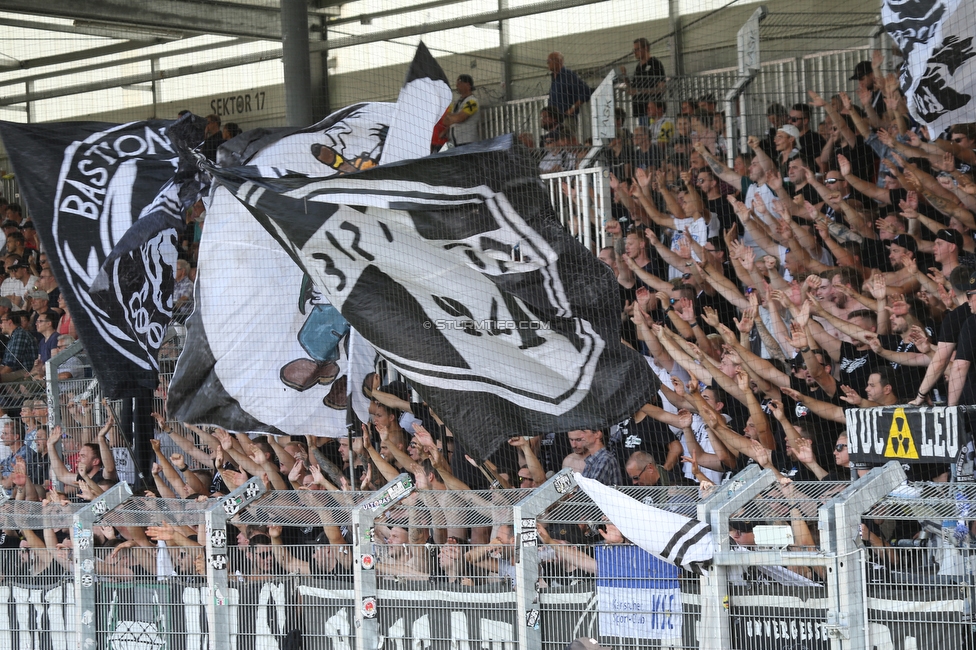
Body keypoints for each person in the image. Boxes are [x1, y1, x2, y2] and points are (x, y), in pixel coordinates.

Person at [621, 37, 666, 124]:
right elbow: (633, 88)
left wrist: (640, 91)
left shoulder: (655, 64)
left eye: (637, 49)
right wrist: (624, 76)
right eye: (634, 50)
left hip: (651, 111)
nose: (635, 52)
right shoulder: (638, 67)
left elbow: (661, 89)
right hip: (640, 111)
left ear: (645, 48)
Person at [547, 52, 592, 118]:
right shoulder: (555, 78)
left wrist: (572, 109)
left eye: (549, 61)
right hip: (555, 120)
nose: (547, 63)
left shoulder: (568, 75)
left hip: (566, 119)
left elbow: (586, 91)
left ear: (558, 61)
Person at [443, 74, 481, 147]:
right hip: (454, 142)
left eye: (459, 82)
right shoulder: (455, 103)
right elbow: (445, 120)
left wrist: (451, 117)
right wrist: (454, 117)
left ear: (468, 85)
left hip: (468, 143)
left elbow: (460, 118)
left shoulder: (472, 102)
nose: (457, 85)